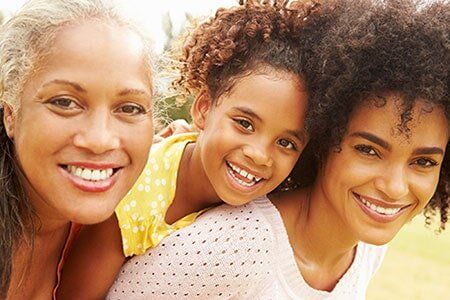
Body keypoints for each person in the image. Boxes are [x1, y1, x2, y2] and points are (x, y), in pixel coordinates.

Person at [107, 0, 449, 298]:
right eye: (368, 150)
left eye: (423, 161)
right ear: (321, 141)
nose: (394, 188)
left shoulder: (367, 248)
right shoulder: (229, 246)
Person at [58, 1, 320, 298]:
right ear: (204, 109)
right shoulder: (137, 197)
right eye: (244, 124)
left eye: (286, 143)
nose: (259, 154)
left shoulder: (272, 204)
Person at [0, 0, 156, 298]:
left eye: (129, 108)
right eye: (64, 102)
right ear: (11, 113)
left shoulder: (128, 222)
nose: (100, 140)